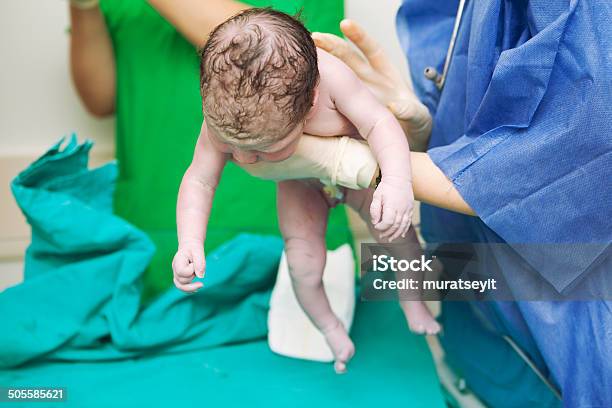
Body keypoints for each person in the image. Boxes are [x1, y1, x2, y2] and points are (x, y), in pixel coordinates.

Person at [315, 1, 612, 405]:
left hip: (565, 320)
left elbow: (573, 156)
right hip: (472, 310)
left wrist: (355, 162)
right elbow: (484, 111)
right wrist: (420, 130)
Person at [173, 8, 441, 373]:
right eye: (230, 145)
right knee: (303, 265)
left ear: (311, 102)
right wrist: (189, 242)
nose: (243, 158)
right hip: (300, 184)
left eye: (262, 148)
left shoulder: (332, 81)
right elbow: (200, 180)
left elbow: (380, 123)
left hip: (356, 172)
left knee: (397, 233)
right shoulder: (226, 111)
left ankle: (412, 297)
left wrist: (396, 182)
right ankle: (329, 327)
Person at [68, 0, 352, 301]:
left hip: (292, 235)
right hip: (155, 242)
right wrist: (83, 7)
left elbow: (287, 61)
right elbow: (100, 101)